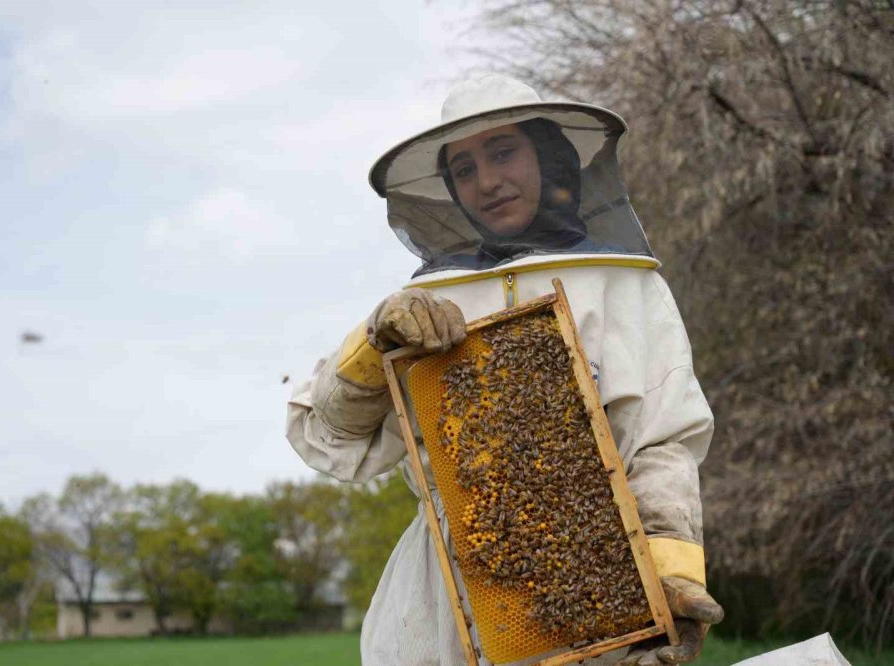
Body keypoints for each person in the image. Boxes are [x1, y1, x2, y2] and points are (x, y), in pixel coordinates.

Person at [287, 74, 724, 665]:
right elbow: (331, 437)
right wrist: (374, 341)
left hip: (593, 581)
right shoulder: (426, 298)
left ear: (548, 156)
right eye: (463, 169)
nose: (487, 181)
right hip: (441, 598)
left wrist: (669, 576)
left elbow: (662, 442)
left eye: (502, 152)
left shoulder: (624, 284)